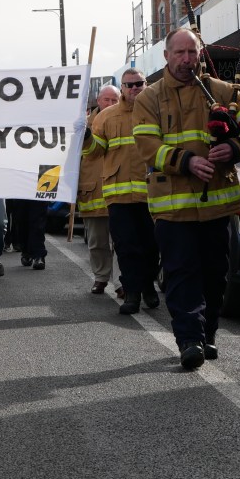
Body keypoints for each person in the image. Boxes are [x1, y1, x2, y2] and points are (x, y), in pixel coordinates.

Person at [133, 28, 240, 370]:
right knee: (181, 274)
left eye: (192, 52)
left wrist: (234, 148)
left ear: (200, 53)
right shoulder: (149, 98)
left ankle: (207, 335)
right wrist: (187, 162)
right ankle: (188, 340)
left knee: (214, 275)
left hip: (217, 206)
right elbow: (147, 146)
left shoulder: (223, 92)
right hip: (172, 209)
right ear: (166, 56)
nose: (186, 59)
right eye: (179, 53)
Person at [84, 68, 160, 316]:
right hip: (118, 196)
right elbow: (94, 152)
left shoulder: (157, 111)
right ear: (123, 88)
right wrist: (86, 137)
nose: (134, 88)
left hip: (152, 194)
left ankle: (147, 285)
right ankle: (132, 294)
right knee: (126, 247)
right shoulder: (106, 117)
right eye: (129, 85)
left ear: (146, 84)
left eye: (139, 83)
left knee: (151, 247)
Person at [78, 84, 119, 294]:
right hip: (92, 191)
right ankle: (101, 277)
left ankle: (122, 283)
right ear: (98, 100)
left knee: (122, 241)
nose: (110, 104)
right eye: (107, 100)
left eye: (114, 100)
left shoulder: (126, 121)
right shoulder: (83, 125)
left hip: (120, 192)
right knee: (97, 242)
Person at [12, 199, 49, 269]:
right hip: (21, 194)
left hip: (38, 195)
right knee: (21, 221)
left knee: (38, 222)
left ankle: (39, 254)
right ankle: (26, 252)